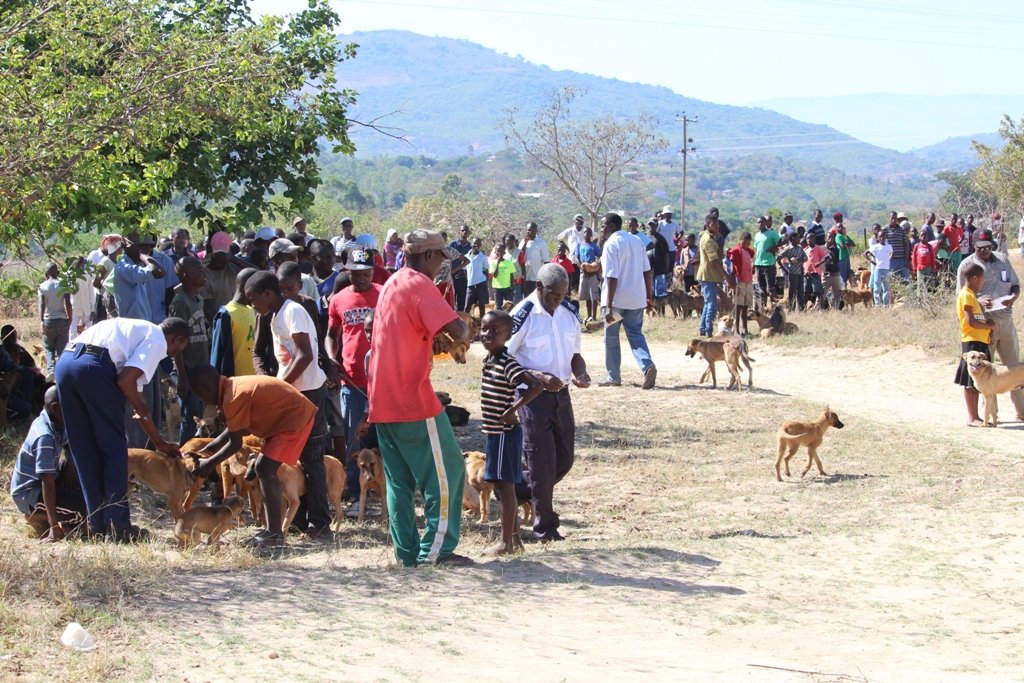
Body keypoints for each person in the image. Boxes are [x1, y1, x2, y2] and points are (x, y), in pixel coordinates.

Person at [366, 229, 471, 567]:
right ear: (427, 256)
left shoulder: (393, 282)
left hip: (382, 399)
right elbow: (458, 331)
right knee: (449, 471)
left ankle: (407, 554)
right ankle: (436, 551)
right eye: (440, 256)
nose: (442, 263)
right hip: (411, 399)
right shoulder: (419, 284)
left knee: (400, 481)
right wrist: (464, 332)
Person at [55, 317, 188, 541]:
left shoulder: (130, 328)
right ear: (177, 339)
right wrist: (141, 406)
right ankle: (120, 528)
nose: (172, 355)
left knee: (85, 452)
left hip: (66, 364)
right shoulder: (157, 338)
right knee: (115, 452)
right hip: (95, 369)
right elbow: (126, 381)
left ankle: (97, 527)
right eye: (177, 349)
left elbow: (135, 400)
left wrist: (159, 443)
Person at [190, 366, 317, 549]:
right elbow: (236, 426)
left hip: (294, 417)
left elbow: (235, 443)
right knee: (263, 468)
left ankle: (274, 533)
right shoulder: (232, 387)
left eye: (201, 397)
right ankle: (272, 530)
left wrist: (209, 464)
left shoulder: (232, 396)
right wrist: (212, 446)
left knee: (264, 468)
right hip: (286, 416)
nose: (205, 402)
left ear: (206, 388)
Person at [245, 270, 332, 538]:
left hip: (307, 392)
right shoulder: (273, 316)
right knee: (294, 457)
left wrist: (281, 387)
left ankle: (320, 523)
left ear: (268, 294)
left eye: (254, 299)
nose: (252, 305)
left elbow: (305, 355)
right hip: (293, 393)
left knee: (312, 457)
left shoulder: (292, 311)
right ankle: (299, 519)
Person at [508, 263, 590, 542]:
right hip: (532, 398)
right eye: (554, 294)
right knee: (542, 463)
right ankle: (545, 528)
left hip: (562, 397)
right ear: (539, 287)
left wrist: (580, 373)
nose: (559, 300)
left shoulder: (569, 314)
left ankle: (514, 490)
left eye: (564, 294)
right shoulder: (523, 314)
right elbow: (502, 356)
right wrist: (538, 377)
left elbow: (575, 354)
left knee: (564, 460)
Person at [478, 310, 544, 556]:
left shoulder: (507, 362)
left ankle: (506, 543)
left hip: (505, 432)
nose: (488, 335)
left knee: (505, 488)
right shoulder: (490, 360)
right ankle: (514, 541)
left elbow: (535, 385)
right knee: (500, 487)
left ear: (508, 335)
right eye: (484, 329)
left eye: (496, 331)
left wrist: (513, 410)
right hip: (495, 433)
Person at [326, 246, 381, 516]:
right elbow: (330, 334)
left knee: (383, 438)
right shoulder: (338, 299)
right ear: (347, 271)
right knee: (354, 439)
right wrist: (330, 358)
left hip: (382, 380)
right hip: (351, 380)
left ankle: (386, 491)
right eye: (356, 272)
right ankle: (355, 492)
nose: (361, 278)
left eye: (366, 272)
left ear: (373, 271)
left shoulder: (384, 294)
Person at [956, 229, 1024, 420]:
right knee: (987, 372)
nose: (986, 250)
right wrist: (979, 302)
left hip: (1006, 321)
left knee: (1013, 369)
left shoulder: (1002, 259)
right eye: (981, 247)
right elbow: (961, 298)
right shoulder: (967, 265)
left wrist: (1013, 297)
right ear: (974, 246)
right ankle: (990, 416)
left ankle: (1021, 412)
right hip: (983, 327)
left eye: (989, 247)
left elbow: (1015, 285)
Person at [9, 386, 87, 540]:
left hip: (46, 480)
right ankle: (39, 518)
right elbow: (47, 481)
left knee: (85, 485)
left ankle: (58, 516)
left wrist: (69, 466)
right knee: (86, 510)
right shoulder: (44, 437)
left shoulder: (54, 421)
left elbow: (70, 444)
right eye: (71, 406)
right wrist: (54, 526)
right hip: (30, 494)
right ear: (56, 408)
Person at [599, 212, 656, 389]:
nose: (601, 229)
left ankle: (613, 376)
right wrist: (649, 295)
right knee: (636, 334)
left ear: (612, 226)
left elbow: (611, 276)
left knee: (611, 338)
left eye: (603, 226)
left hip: (616, 300)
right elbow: (647, 271)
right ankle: (647, 366)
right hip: (636, 299)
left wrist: (609, 306)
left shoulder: (611, 244)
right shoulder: (636, 241)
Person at [167, 257, 211, 444]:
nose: (202, 273)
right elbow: (175, 343)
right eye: (197, 270)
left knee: (198, 415)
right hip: (188, 369)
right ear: (186, 276)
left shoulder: (198, 299)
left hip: (200, 368)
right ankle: (185, 457)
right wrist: (182, 377)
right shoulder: (180, 302)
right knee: (190, 417)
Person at [954, 264, 995, 427]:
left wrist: (987, 329)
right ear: (975, 278)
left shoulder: (972, 295)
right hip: (972, 342)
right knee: (970, 380)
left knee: (978, 380)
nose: (983, 282)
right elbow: (970, 321)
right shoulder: (966, 295)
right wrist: (988, 326)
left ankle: (977, 416)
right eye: (982, 279)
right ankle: (972, 417)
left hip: (980, 340)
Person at [210, 268, 258, 378]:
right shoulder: (226, 314)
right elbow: (217, 356)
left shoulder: (252, 310)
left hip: (254, 380)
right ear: (248, 288)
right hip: (235, 383)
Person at [38, 263, 72, 378]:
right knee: (62, 348)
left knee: (48, 348)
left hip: (49, 321)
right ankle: (63, 372)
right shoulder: (63, 284)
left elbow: (42, 304)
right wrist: (70, 317)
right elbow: (68, 303)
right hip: (62, 319)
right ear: (58, 273)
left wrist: (41, 321)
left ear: (46, 274)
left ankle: (51, 370)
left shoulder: (42, 286)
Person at [697, 214, 726, 336]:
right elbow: (714, 260)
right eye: (715, 224)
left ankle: (703, 328)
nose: (717, 226)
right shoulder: (707, 239)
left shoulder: (712, 237)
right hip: (708, 274)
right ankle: (709, 330)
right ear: (708, 225)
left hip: (710, 275)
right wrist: (726, 276)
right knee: (712, 304)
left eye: (718, 224)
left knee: (708, 303)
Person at [727, 232, 755, 336]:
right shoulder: (735, 251)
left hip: (748, 281)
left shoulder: (748, 252)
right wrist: (732, 281)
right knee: (738, 306)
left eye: (748, 243)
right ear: (740, 241)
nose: (746, 245)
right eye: (744, 242)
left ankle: (745, 329)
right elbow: (732, 268)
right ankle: (736, 330)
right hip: (740, 281)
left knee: (745, 306)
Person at [753, 215, 781, 305]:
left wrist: (774, 248)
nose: (760, 224)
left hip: (769, 264)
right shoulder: (757, 235)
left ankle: (775, 308)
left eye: (762, 222)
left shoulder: (772, 233)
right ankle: (763, 308)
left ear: (766, 223)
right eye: (758, 222)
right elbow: (756, 250)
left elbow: (783, 240)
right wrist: (754, 264)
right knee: (761, 288)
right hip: (758, 264)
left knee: (771, 289)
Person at [576, 227, 602, 322]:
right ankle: (588, 315)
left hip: (592, 273)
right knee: (587, 296)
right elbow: (577, 258)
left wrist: (595, 268)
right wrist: (582, 268)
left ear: (591, 235)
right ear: (583, 234)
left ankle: (594, 316)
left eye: (589, 232)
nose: (586, 234)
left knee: (593, 295)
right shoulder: (579, 245)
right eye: (585, 232)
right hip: (584, 272)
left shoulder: (594, 246)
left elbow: (599, 257)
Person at [777, 232, 807, 311]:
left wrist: (800, 259)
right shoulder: (788, 249)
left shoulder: (800, 248)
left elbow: (806, 258)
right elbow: (778, 258)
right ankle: (791, 309)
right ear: (793, 239)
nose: (799, 239)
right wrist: (784, 269)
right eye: (797, 237)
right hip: (792, 273)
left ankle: (801, 309)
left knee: (800, 291)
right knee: (792, 292)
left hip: (800, 272)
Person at [519, 222, 549, 297]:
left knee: (537, 297)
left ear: (536, 231)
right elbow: (519, 255)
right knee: (526, 298)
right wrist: (525, 243)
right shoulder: (523, 242)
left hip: (536, 277)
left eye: (532, 230)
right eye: (528, 230)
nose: (530, 232)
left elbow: (546, 261)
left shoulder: (541, 243)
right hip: (525, 277)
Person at [646, 220, 671, 307]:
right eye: (649, 226)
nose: (651, 227)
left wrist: (666, 270)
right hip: (648, 270)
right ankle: (651, 309)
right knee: (649, 292)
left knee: (660, 293)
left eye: (653, 226)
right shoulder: (646, 238)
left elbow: (666, 255)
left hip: (659, 269)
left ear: (656, 226)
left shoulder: (661, 238)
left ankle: (661, 311)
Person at [557, 214, 585, 293]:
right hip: (572, 258)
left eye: (581, 220)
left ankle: (580, 292)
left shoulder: (585, 230)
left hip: (583, 259)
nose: (579, 222)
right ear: (574, 221)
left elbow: (595, 237)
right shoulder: (569, 231)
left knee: (582, 276)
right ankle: (573, 291)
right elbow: (559, 238)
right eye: (577, 220)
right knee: (573, 276)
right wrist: (566, 248)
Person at [448, 225, 472, 312]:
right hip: (452, 276)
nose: (464, 232)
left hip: (464, 277)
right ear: (459, 232)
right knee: (451, 300)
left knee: (461, 302)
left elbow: (470, 261)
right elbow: (448, 259)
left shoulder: (470, 247)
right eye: (462, 230)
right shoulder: (452, 245)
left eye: (466, 230)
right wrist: (452, 271)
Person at [865, 231, 892, 306]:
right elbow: (865, 253)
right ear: (878, 238)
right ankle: (877, 305)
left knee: (886, 287)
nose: (882, 238)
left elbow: (891, 254)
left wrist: (887, 261)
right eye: (880, 236)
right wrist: (872, 262)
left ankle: (886, 304)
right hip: (878, 269)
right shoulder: (875, 247)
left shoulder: (889, 246)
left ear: (885, 237)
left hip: (886, 269)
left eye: (883, 236)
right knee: (877, 288)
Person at [489, 242, 518, 311]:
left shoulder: (509, 262)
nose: (500, 253)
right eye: (498, 251)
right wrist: (498, 263)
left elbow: (511, 276)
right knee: (498, 306)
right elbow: (495, 275)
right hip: (497, 288)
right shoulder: (493, 263)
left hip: (507, 288)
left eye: (501, 251)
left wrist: (512, 288)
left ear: (504, 252)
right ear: (496, 252)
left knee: (510, 306)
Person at [803, 234, 828, 310]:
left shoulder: (818, 248)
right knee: (806, 291)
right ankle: (804, 308)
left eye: (811, 238)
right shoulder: (805, 250)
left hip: (815, 273)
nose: (809, 240)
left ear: (814, 239)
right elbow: (803, 262)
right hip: (807, 274)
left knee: (818, 291)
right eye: (807, 239)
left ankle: (821, 308)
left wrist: (819, 263)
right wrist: (805, 271)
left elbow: (826, 257)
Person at [834, 216, 856, 285]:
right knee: (843, 275)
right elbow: (842, 246)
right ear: (836, 229)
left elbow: (853, 244)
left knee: (847, 273)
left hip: (847, 256)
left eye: (841, 227)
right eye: (839, 227)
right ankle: (843, 291)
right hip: (842, 257)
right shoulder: (838, 236)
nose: (841, 228)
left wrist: (847, 243)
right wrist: (847, 243)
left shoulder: (845, 236)